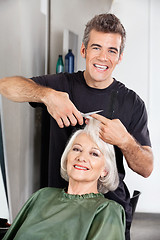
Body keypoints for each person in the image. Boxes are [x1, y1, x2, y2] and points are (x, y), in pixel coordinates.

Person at [0, 13, 153, 239]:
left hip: (106, 212)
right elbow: (5, 86)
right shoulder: (61, 85)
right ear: (83, 50)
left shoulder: (132, 103)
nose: (103, 57)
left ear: (120, 57)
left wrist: (124, 140)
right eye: (96, 48)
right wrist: (46, 95)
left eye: (112, 50)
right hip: (59, 205)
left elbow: (146, 168)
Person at [3, 119, 126, 240]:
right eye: (77, 149)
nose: (81, 157)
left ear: (105, 170)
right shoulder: (41, 196)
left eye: (94, 153)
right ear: (67, 158)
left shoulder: (107, 211)